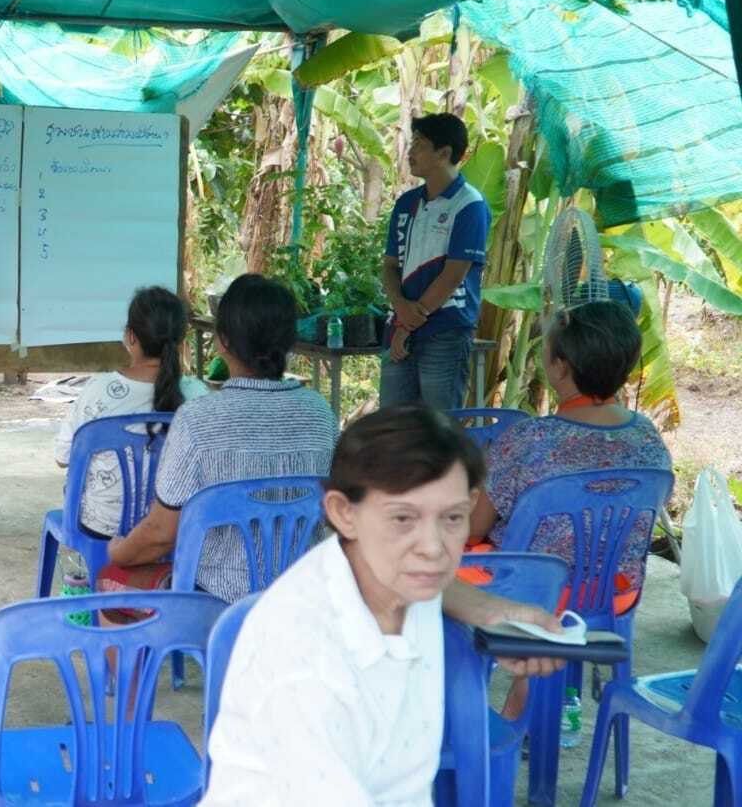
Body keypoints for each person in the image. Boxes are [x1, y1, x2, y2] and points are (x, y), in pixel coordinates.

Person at [200, 405, 565, 805]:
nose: (433, 548)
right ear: (344, 513)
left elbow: (442, 585)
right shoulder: (304, 660)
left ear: (471, 505)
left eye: (452, 518)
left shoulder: (395, 574)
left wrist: (496, 613)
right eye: (403, 519)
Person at [103, 274, 338, 602]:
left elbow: (160, 534)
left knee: (109, 579)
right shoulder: (320, 413)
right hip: (303, 593)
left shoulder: (198, 419)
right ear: (288, 341)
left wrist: (118, 553)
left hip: (218, 600)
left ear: (222, 341)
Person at [468, 300, 673, 607]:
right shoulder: (649, 438)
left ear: (561, 366)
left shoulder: (528, 439)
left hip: (529, 594)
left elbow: (473, 530)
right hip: (613, 595)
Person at [53, 286, 208, 537]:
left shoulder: (97, 390)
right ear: (181, 340)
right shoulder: (198, 395)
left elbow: (62, 457)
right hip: (175, 532)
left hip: (102, 527)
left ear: (131, 336)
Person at [380, 112, 491, 409]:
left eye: (419, 144)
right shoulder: (406, 203)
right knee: (392, 423)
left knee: (440, 424)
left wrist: (409, 322)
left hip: (446, 330)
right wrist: (400, 308)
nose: (410, 151)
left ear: (444, 154)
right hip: (399, 325)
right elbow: (390, 265)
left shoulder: (469, 204)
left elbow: (454, 273)